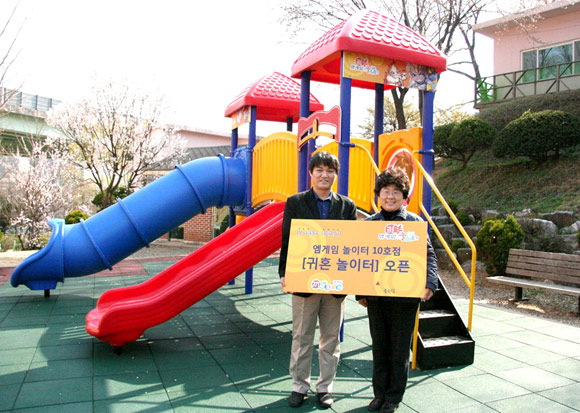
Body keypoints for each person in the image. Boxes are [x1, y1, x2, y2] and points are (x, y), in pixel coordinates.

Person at [279, 151, 357, 409]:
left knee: (331, 339)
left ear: (336, 174)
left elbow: (352, 244)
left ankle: (325, 387)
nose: (325, 175)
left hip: (335, 283)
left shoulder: (347, 206)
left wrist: (352, 278)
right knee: (302, 336)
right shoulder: (296, 202)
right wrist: (284, 273)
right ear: (311, 173)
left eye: (330, 170)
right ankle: (299, 386)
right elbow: (288, 239)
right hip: (304, 281)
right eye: (320, 170)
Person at [357, 166, 438, 413]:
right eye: (385, 191)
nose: (390, 196)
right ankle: (379, 394)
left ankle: (393, 397)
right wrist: (361, 292)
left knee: (399, 350)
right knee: (380, 347)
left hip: (405, 298)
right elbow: (360, 259)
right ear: (378, 194)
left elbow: (429, 255)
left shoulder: (414, 223)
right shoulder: (370, 224)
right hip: (376, 297)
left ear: (404, 197)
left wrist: (430, 283)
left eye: (395, 192)